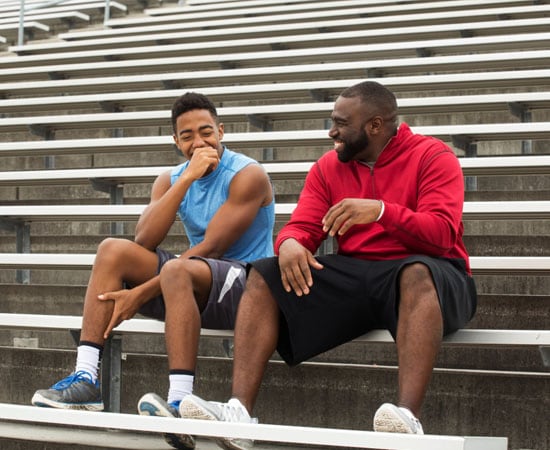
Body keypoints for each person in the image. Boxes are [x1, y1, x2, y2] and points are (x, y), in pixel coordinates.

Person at [176, 81, 477, 450]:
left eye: (341, 123)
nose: (332, 131)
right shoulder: (328, 166)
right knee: (265, 273)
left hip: (434, 272)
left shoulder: (433, 156)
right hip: (359, 272)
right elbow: (302, 227)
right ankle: (238, 415)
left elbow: (442, 234)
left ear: (375, 126)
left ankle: (408, 418)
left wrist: (381, 212)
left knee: (415, 272)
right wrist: (288, 245)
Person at [31, 92, 275, 450]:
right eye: (187, 135)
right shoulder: (172, 178)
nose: (199, 141)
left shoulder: (247, 174)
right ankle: (86, 378)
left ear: (221, 131)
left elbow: (213, 249)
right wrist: (186, 179)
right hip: (193, 279)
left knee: (178, 269)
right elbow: (144, 238)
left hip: (249, 286)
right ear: (176, 142)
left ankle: (178, 402)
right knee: (112, 251)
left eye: (206, 131)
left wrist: (142, 292)